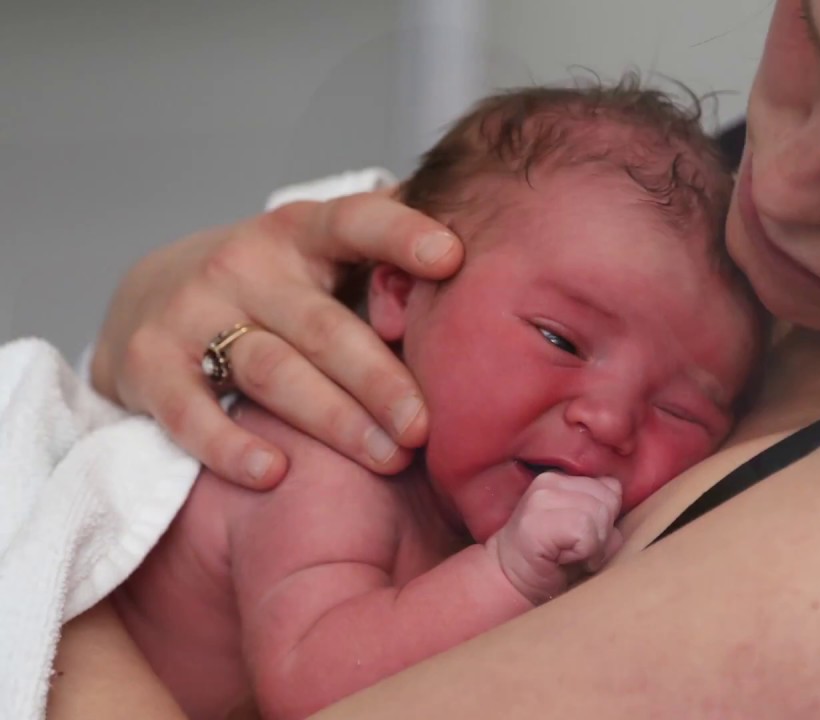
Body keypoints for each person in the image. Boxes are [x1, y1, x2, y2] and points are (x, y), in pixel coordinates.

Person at [51, 0, 820, 717]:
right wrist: (172, 311)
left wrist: (71, 610)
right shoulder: (684, 217)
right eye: (813, 33)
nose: (780, 188)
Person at [107, 81, 765, 720]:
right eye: (560, 340)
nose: (612, 420)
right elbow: (312, 686)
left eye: (681, 411)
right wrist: (509, 575)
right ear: (401, 291)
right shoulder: (320, 456)